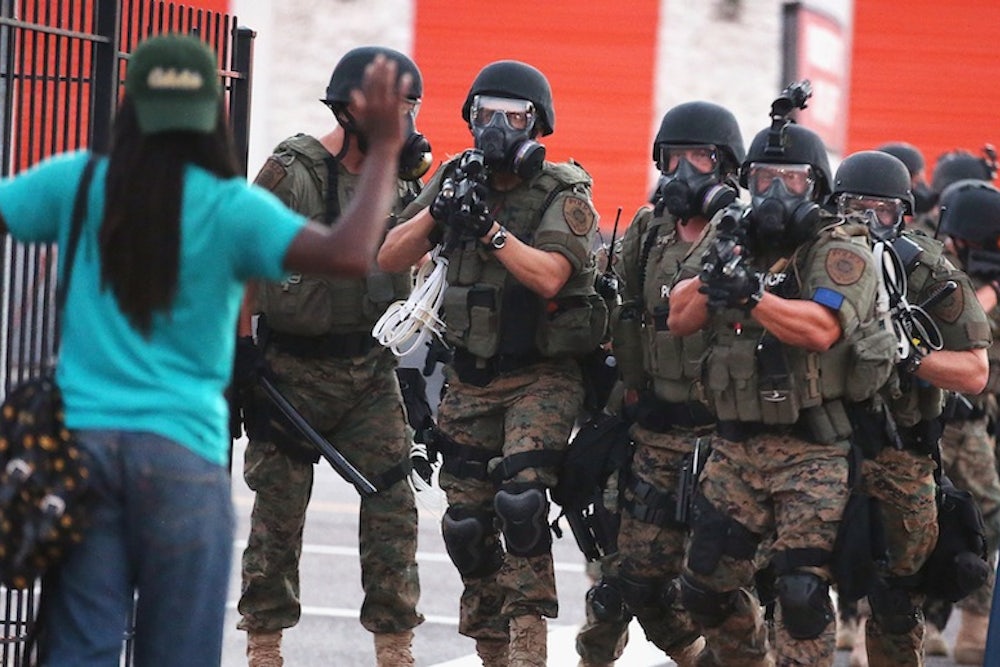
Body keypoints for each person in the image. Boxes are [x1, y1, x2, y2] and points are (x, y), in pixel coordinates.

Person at [0, 33, 410, 667]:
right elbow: (350, 254)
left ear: (130, 108)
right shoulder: (230, 208)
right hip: (182, 454)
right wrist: (383, 147)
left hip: (82, 453)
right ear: (211, 117)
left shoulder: (77, 183)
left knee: (81, 646)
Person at [377, 59, 604, 667]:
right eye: (486, 114)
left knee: (522, 501)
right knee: (466, 524)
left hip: (540, 375)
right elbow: (390, 254)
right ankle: (493, 650)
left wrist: (491, 230)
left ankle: (529, 646)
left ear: (538, 124)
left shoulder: (561, 192)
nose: (497, 127)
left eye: (514, 117)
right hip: (471, 376)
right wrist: (442, 211)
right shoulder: (458, 176)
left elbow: (551, 275)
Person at [667, 120, 892, 667]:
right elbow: (679, 317)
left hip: (812, 450)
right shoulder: (734, 234)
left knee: (801, 594)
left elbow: (820, 329)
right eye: (764, 177)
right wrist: (718, 275)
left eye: (790, 179)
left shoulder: (839, 247)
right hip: (735, 448)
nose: (774, 190)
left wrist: (750, 296)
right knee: (703, 588)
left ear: (815, 185)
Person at [234, 45, 428, 667]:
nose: (403, 124)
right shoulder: (292, 172)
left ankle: (394, 647)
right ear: (349, 111)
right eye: (393, 110)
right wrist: (241, 350)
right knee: (277, 514)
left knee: (394, 506)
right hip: (290, 372)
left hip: (369, 372)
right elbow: (241, 260)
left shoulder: (401, 178)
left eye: (409, 110)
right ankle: (265, 646)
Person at [574, 101, 747, 667]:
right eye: (674, 157)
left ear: (726, 166)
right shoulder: (649, 232)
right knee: (634, 578)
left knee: (725, 584)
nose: (685, 170)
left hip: (724, 440)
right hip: (654, 430)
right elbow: (616, 306)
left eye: (701, 157)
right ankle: (690, 654)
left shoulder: (744, 234)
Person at [829, 151, 990, 667]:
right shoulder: (812, 258)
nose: (868, 221)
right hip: (816, 444)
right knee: (793, 587)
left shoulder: (927, 270)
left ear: (903, 213)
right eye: (855, 208)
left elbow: (974, 372)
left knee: (897, 600)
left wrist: (910, 355)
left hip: (899, 449)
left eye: (882, 210)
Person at [932, 178, 1000, 665]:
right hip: (929, 422)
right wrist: (990, 292)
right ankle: (895, 622)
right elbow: (945, 325)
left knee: (988, 515)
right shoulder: (930, 269)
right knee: (910, 520)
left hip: (973, 421)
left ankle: (974, 626)